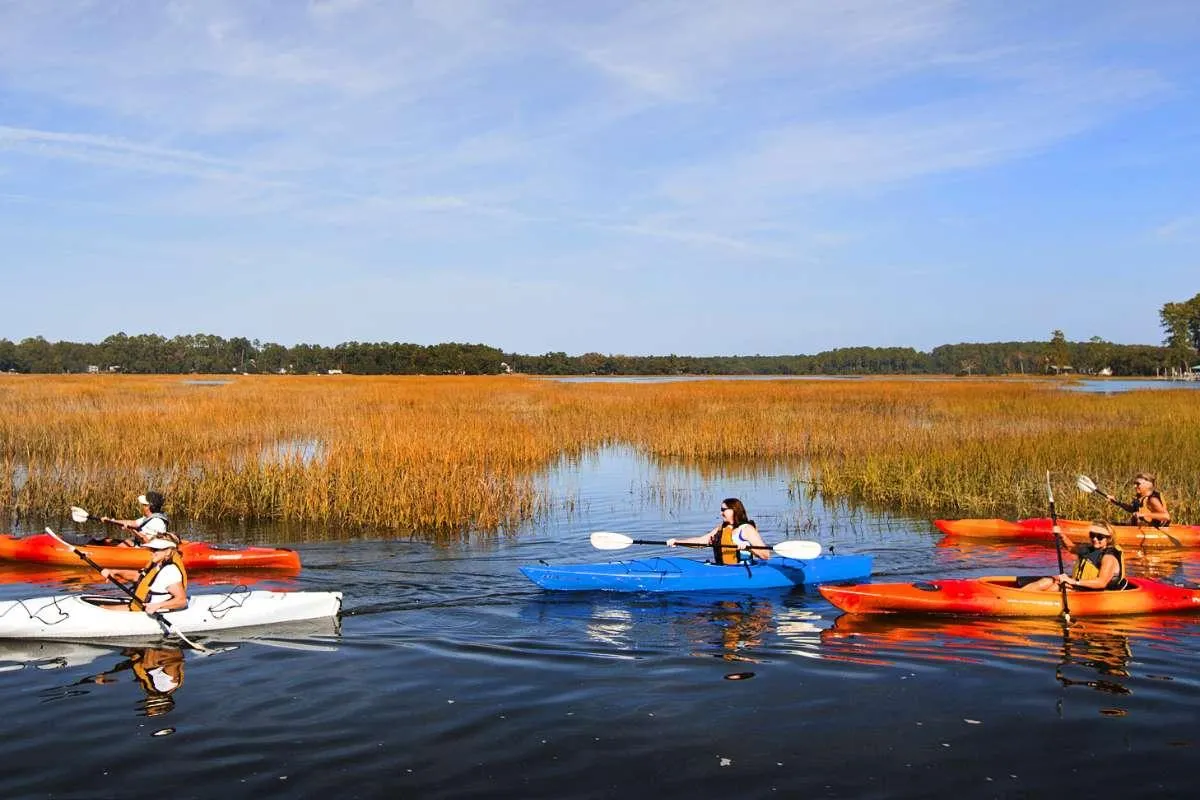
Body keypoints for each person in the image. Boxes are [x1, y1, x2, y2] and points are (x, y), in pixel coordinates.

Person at [1019, 521, 1127, 592]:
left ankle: (1031, 603)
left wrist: (1073, 582)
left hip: (1095, 591)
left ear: (1108, 539)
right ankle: (1019, 595)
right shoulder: (1090, 549)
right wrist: (1061, 535)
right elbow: (1072, 548)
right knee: (1048, 580)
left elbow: (1101, 583)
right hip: (1081, 585)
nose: (1095, 539)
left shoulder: (1108, 558)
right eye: (1092, 535)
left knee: (1057, 587)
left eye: (1099, 537)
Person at [99, 534, 188, 614]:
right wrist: (114, 572)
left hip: (153, 612)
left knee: (102, 610)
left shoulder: (170, 571)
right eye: (151, 549)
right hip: (141, 608)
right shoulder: (157, 564)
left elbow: (181, 601)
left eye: (156, 550)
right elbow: (138, 576)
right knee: (101, 608)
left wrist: (158, 606)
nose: (152, 552)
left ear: (168, 551)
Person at [667, 498, 771, 564]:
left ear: (734, 510)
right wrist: (678, 542)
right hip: (722, 568)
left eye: (723, 510)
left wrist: (749, 549)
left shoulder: (747, 529)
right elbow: (701, 542)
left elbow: (766, 555)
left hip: (741, 571)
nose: (721, 513)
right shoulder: (721, 528)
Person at [97, 491, 170, 547]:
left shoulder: (157, 522)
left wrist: (131, 530)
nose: (142, 507)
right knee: (107, 541)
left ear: (150, 507)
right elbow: (133, 523)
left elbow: (148, 542)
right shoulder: (149, 518)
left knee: (113, 544)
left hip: (146, 551)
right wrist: (111, 521)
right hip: (139, 545)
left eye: (144, 505)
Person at [1103, 472, 1171, 527]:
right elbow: (1133, 509)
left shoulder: (1152, 499)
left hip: (1152, 531)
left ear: (1148, 485)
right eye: (1135, 484)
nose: (1135, 486)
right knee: (1106, 524)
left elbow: (1166, 516)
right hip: (1138, 527)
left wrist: (1144, 514)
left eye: (1138, 484)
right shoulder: (1141, 497)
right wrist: (1116, 502)